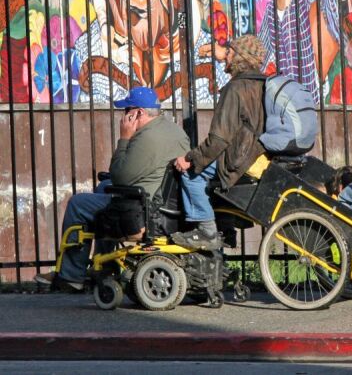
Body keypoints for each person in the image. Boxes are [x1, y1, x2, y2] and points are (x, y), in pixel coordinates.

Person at [34, 87, 190, 290]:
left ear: (139, 113)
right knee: (102, 187)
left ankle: (70, 276)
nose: (124, 116)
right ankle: (104, 266)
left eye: (127, 111)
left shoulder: (147, 137)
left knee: (77, 203)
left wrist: (124, 137)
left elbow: (120, 176)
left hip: (142, 208)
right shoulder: (173, 130)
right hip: (161, 199)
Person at [172, 35, 267, 250]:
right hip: (257, 156)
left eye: (230, 52)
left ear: (240, 57)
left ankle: (207, 231)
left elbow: (219, 139)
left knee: (192, 173)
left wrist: (191, 159)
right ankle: (225, 228)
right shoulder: (262, 85)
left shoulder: (235, 89)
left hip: (240, 158)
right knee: (215, 178)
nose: (226, 56)